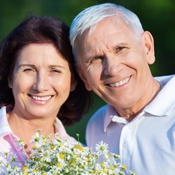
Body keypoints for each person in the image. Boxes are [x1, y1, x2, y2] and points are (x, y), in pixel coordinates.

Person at [69, 3, 175, 175]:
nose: (112, 68)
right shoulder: (96, 127)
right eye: (96, 59)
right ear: (83, 76)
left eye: (120, 49)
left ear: (147, 47)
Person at [0, 16, 90, 169]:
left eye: (54, 70)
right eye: (28, 70)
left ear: (74, 80)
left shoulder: (82, 159)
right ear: (10, 77)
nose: (40, 86)